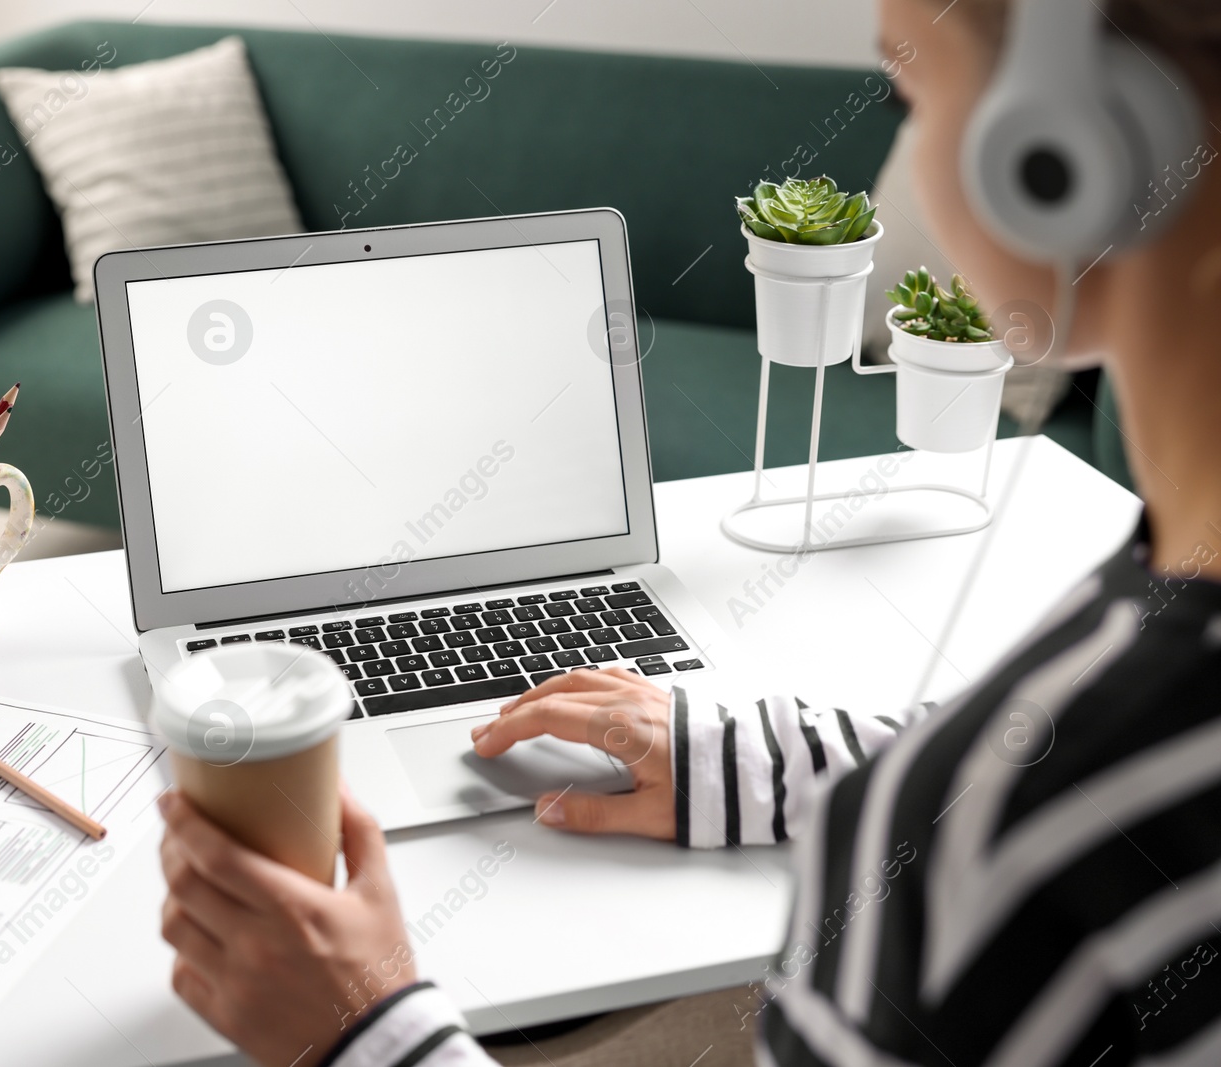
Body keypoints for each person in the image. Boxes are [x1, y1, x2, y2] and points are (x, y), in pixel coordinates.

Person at [157, 0, 1221, 1062]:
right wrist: (753, 762)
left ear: (1064, 149)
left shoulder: (1008, 857)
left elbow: (1013, 816)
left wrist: (366, 1031)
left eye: (914, 87)